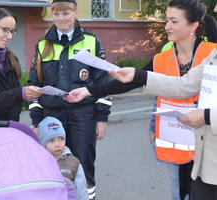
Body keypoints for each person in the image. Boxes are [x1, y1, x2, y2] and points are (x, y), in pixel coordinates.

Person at [66, 1, 217, 199]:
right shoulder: (165, 58)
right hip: (178, 134)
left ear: (193, 25)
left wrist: (206, 115)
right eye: (166, 20)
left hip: (206, 136)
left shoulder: (209, 51)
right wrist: (89, 90)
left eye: (173, 21)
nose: (166, 26)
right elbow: (177, 85)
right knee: (179, 189)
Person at [27, 1, 111, 199]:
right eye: (56, 14)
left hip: (84, 115)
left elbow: (102, 83)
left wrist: (101, 118)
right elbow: (34, 85)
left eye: (66, 13)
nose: (61, 18)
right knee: (52, 165)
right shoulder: (43, 44)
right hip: (52, 116)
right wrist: (37, 121)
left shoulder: (91, 41)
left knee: (83, 163)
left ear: (75, 13)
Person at [38, 116, 89, 200]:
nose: (57, 144)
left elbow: (81, 189)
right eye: (51, 140)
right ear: (43, 143)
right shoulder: (38, 162)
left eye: (61, 139)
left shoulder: (73, 162)